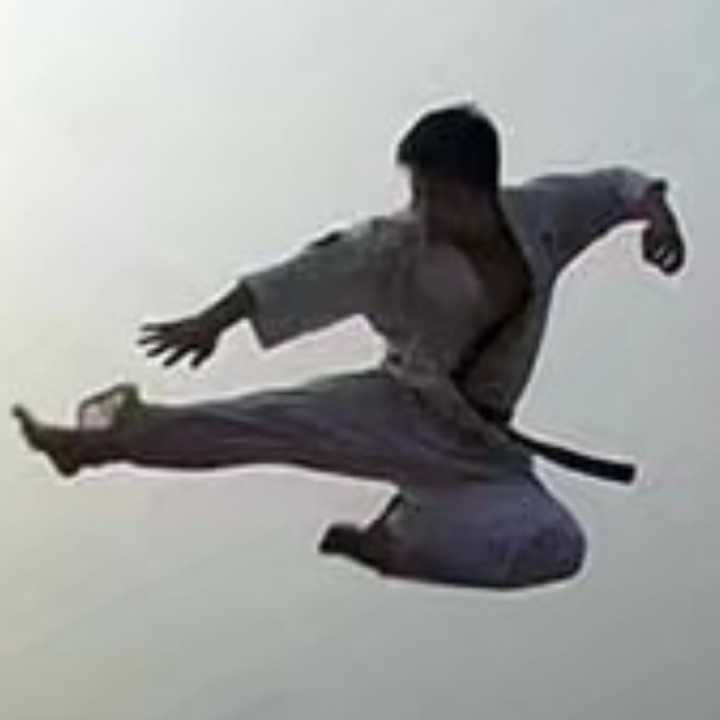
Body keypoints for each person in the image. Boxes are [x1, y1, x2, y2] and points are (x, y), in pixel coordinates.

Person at [12, 103, 687, 590]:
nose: (423, 211)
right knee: (262, 425)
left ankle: (401, 547)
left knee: (557, 547)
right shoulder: (393, 244)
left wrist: (657, 217)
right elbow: (308, 272)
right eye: (416, 193)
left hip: (482, 449)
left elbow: (616, 187)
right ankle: (95, 444)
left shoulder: (544, 214)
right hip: (394, 406)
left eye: (437, 196)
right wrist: (211, 321)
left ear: (479, 188)